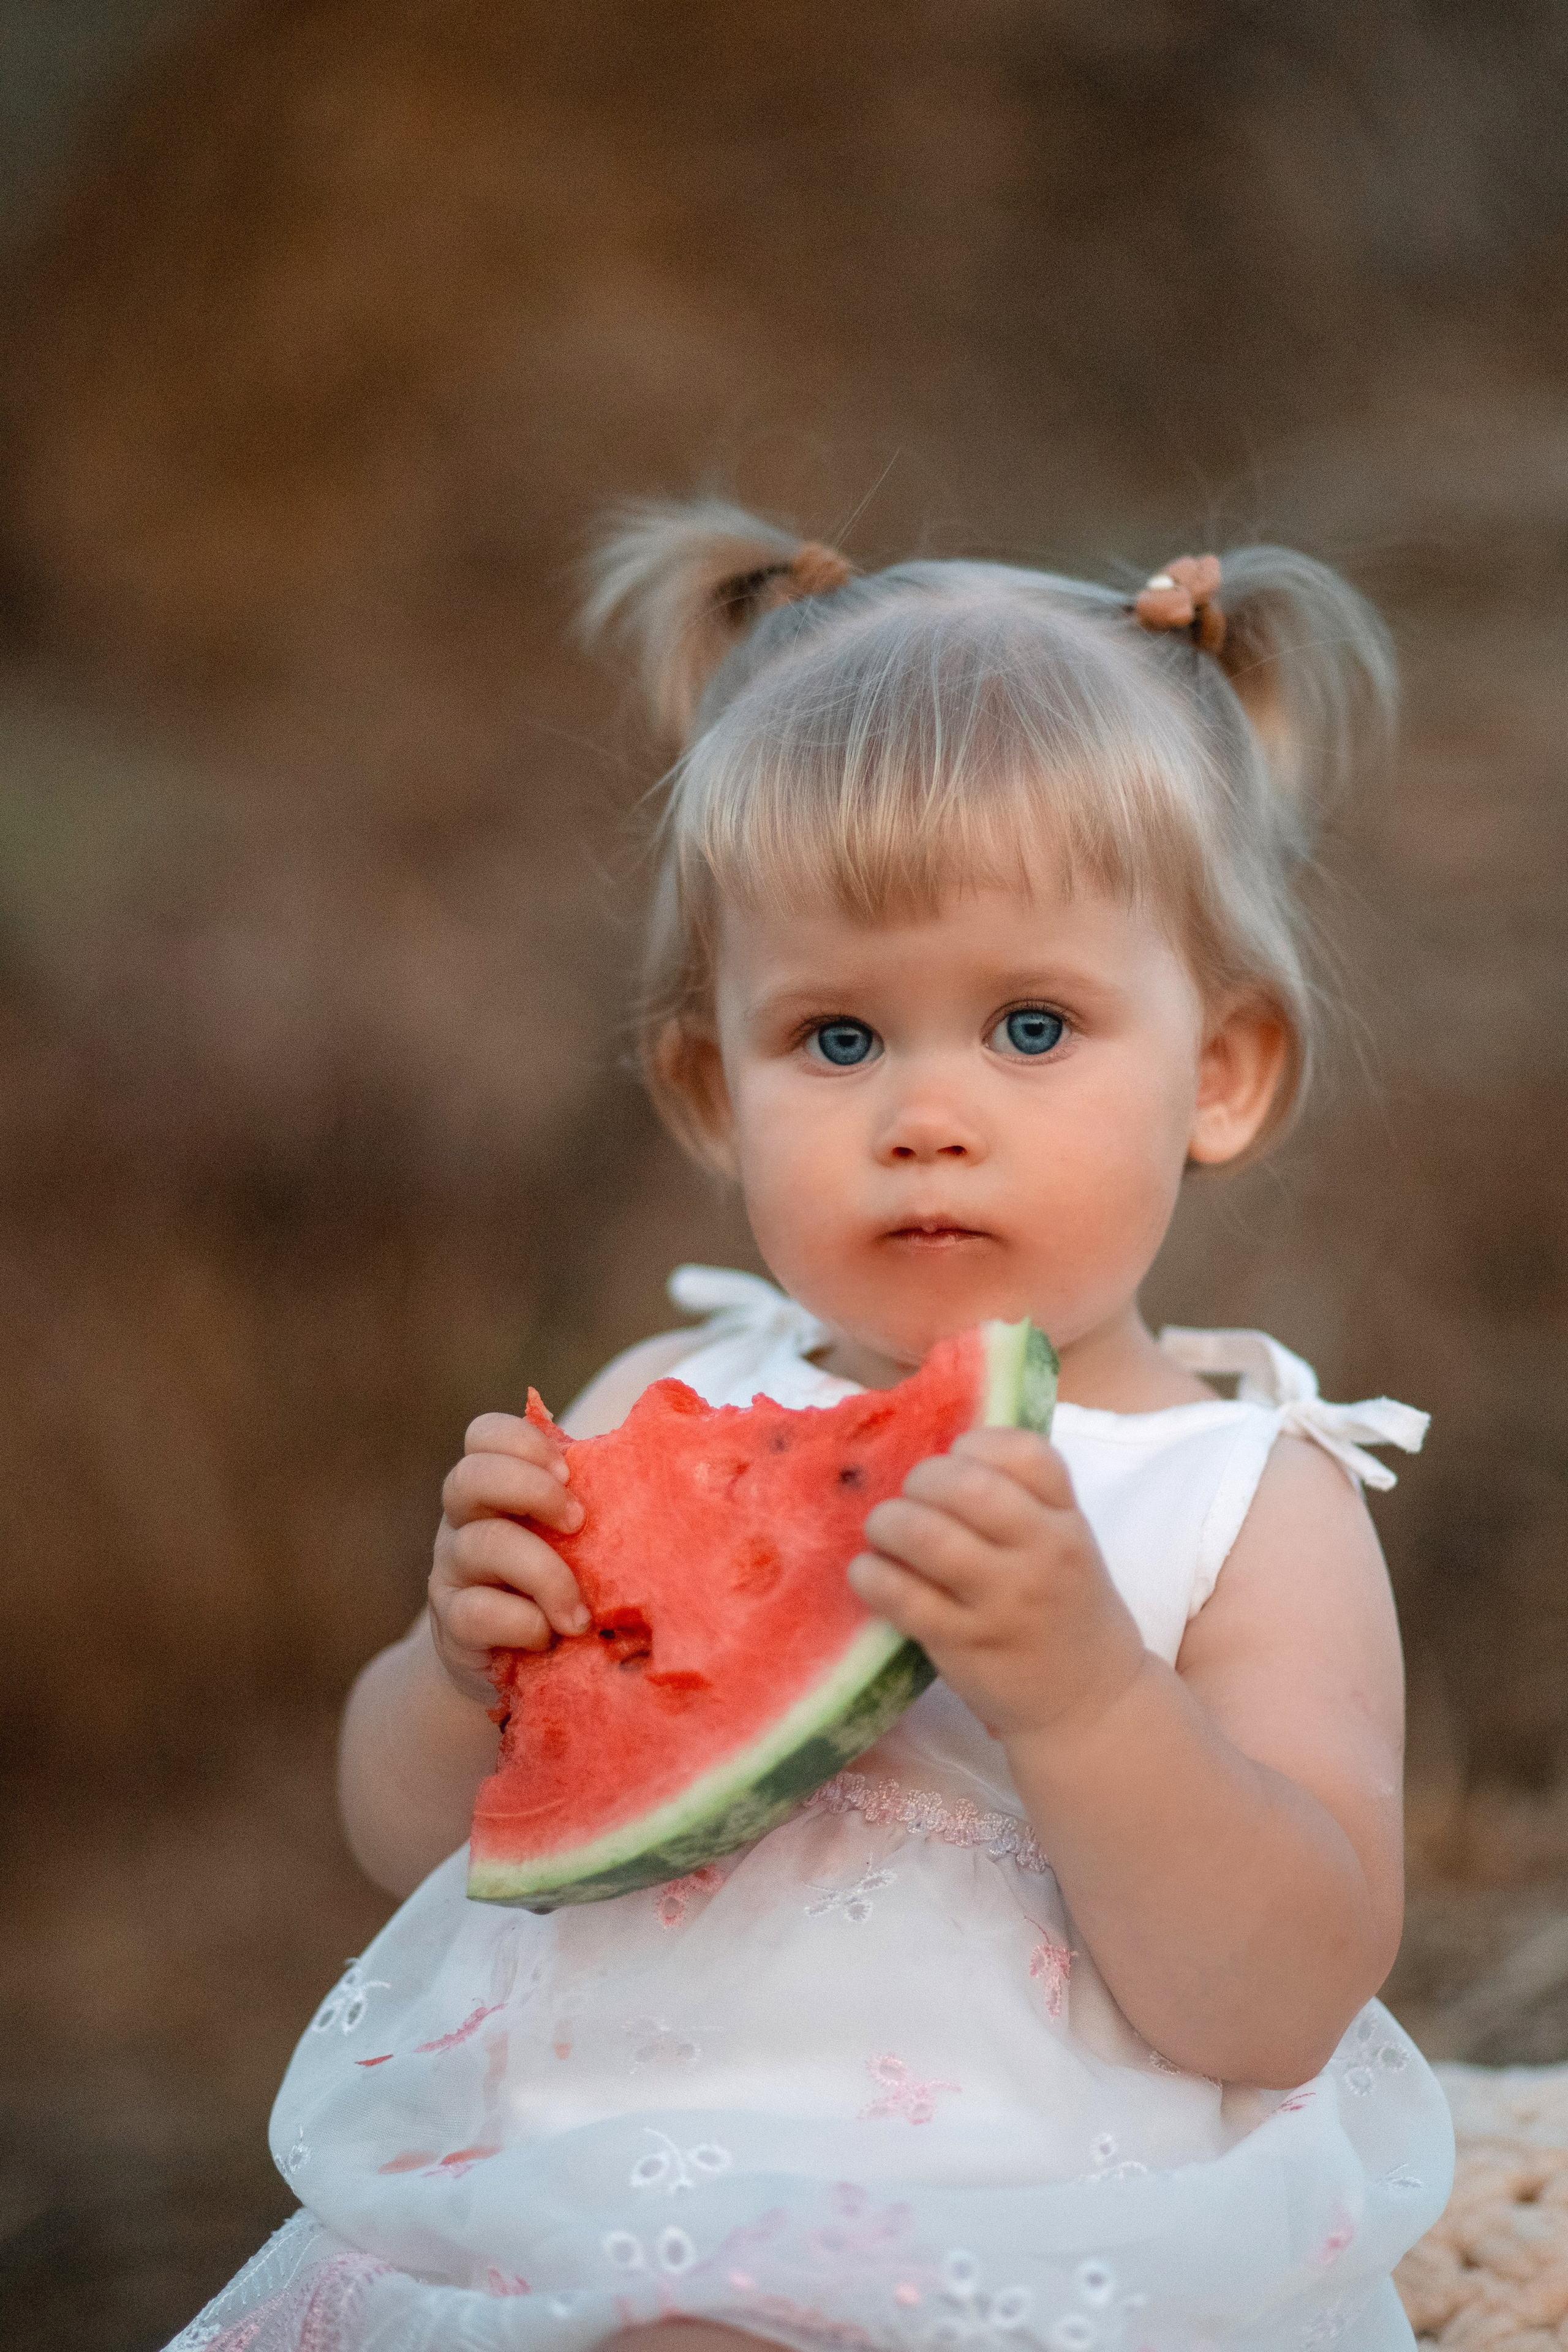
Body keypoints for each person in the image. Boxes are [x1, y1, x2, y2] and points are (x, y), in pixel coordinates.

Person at [167, 506, 1454, 2352]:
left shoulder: (1250, 1502)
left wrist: (1088, 1696)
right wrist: (462, 1670)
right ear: (711, 1085)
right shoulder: (653, 1416)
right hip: (586, 2217)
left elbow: (1284, 1997)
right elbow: (411, 1836)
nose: (927, 1113)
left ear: (1223, 1074)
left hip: (1026, 2254)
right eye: (838, 1041)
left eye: (1030, 1025)